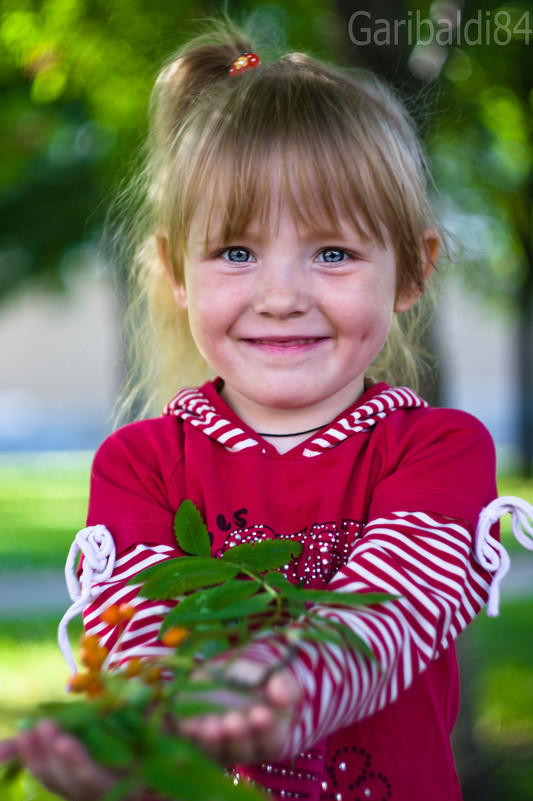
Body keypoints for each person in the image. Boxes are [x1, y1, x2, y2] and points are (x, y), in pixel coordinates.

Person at [1, 17, 526, 801]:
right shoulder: (143, 463)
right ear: (177, 268)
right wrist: (134, 742)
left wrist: (268, 690)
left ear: (412, 271)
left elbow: (387, 615)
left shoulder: (435, 449)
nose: (281, 297)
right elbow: (141, 640)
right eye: (236, 252)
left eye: (333, 252)